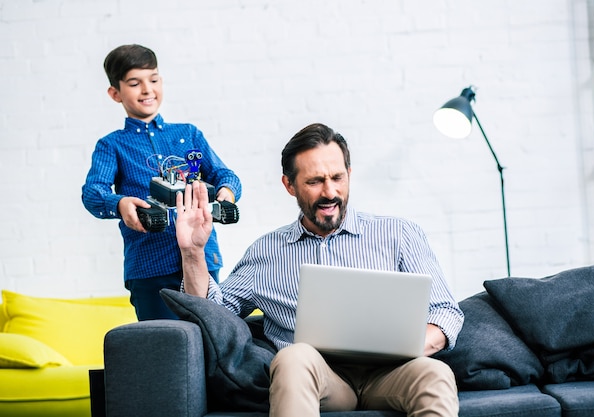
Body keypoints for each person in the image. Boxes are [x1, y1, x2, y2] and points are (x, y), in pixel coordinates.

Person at [176, 123, 464, 416]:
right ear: (289, 185)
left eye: (337, 177)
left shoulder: (399, 234)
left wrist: (408, 346)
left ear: (349, 174)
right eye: (314, 182)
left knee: (435, 373)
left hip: (392, 374)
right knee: (294, 357)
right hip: (320, 380)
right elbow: (211, 312)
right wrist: (192, 253)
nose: (330, 192)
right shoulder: (266, 252)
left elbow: (445, 311)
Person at [82, 44, 241, 321]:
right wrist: (119, 203)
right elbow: (93, 193)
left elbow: (225, 176)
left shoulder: (188, 135)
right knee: (163, 349)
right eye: (135, 83)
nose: (147, 89)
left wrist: (226, 194)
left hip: (204, 258)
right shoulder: (112, 145)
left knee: (211, 342)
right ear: (115, 93)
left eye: (153, 80)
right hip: (149, 268)